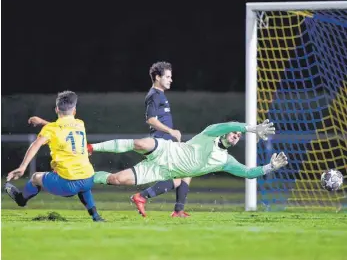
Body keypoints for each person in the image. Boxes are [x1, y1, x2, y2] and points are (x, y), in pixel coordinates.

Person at [89, 119, 288, 217]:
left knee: (116, 180)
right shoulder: (209, 134)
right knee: (141, 143)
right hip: (166, 150)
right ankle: (92, 147)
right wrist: (250, 128)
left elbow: (248, 173)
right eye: (234, 133)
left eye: (238, 136)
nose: (236, 135)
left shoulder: (225, 160)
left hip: (161, 171)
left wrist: (270, 166)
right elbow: (227, 125)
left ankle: (86, 176)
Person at [5, 91, 104, 222]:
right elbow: (62, 128)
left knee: (35, 178)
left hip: (67, 185)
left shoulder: (51, 129)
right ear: (74, 110)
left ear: (56, 109)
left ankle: (21, 200)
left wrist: (22, 167)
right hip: (88, 179)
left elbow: (36, 144)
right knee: (83, 185)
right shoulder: (80, 124)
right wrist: (42, 122)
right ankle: (95, 216)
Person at [141, 61, 191, 217]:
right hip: (161, 142)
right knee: (179, 177)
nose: (171, 80)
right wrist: (171, 131)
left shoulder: (160, 95)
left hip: (166, 141)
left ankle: (178, 210)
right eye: (167, 77)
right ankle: (142, 197)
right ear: (157, 77)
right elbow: (150, 119)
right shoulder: (154, 95)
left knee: (186, 171)